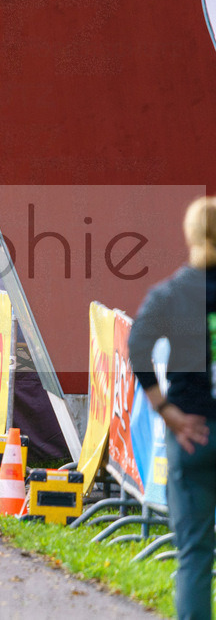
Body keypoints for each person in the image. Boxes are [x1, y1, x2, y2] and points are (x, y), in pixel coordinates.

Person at [128, 196, 216, 620]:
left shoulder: (173, 293)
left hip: (191, 431)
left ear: (190, 235)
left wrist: (166, 410)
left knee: (195, 554)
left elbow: (137, 345)